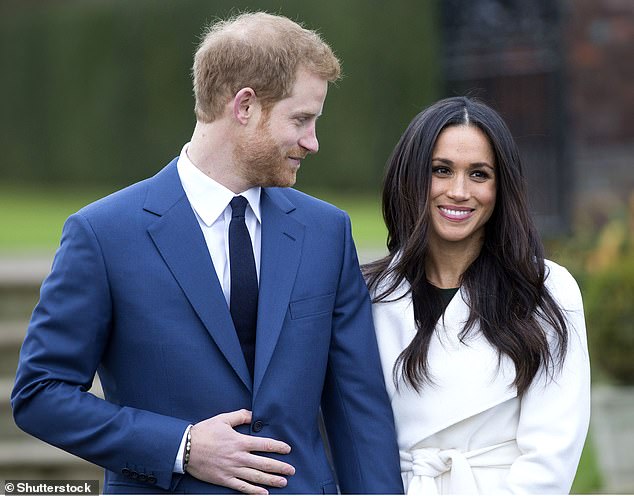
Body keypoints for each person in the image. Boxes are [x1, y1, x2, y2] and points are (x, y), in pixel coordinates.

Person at [12, 12, 403, 495]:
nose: (313, 141)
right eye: (301, 119)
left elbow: (358, 407)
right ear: (244, 106)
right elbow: (40, 394)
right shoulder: (103, 234)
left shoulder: (326, 232)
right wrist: (183, 446)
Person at [363, 96, 590, 494]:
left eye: (480, 174)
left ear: (501, 187)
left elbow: (551, 455)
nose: (459, 191)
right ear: (411, 176)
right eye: (441, 170)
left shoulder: (545, 289)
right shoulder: (367, 293)